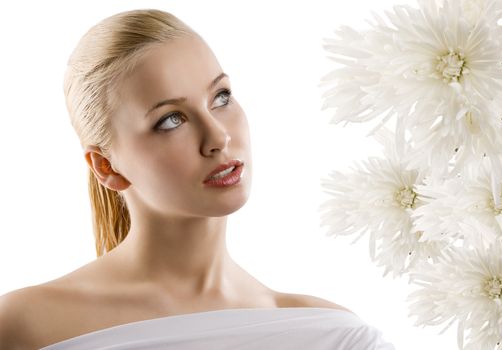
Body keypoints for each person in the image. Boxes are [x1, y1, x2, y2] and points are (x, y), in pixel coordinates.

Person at [0, 9, 395, 349]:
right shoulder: (24, 326)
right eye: (170, 120)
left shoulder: (331, 335)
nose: (218, 137)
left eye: (221, 97)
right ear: (107, 167)